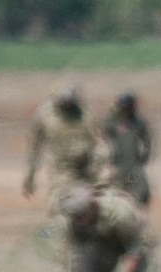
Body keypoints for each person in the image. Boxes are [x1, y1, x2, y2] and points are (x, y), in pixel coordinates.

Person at [23, 82, 101, 262]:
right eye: (63, 103)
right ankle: (66, 258)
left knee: (88, 213)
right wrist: (30, 176)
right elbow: (34, 147)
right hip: (60, 173)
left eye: (70, 103)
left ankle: (87, 254)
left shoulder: (86, 116)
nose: (67, 107)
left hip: (85, 172)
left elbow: (99, 145)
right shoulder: (44, 116)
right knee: (61, 213)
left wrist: (99, 172)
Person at [102, 91, 153, 207]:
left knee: (142, 192)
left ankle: (135, 215)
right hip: (117, 165)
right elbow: (101, 138)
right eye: (123, 107)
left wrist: (144, 157)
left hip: (133, 166)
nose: (126, 110)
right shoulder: (112, 122)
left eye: (129, 107)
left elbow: (147, 142)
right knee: (116, 193)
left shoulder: (138, 123)